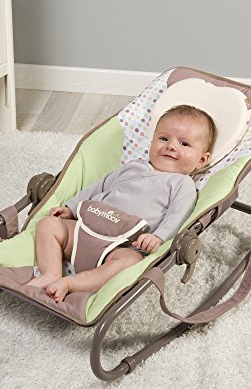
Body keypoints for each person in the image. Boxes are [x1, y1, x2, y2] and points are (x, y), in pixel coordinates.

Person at [27, 104, 216, 303]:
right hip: (85, 229)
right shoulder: (133, 167)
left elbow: (178, 216)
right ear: (152, 141)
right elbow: (99, 186)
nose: (171, 146)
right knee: (48, 224)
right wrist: (71, 208)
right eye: (163, 138)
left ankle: (70, 284)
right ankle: (50, 274)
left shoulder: (182, 184)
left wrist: (159, 237)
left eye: (184, 143)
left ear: (202, 160)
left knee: (130, 262)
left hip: (121, 246)